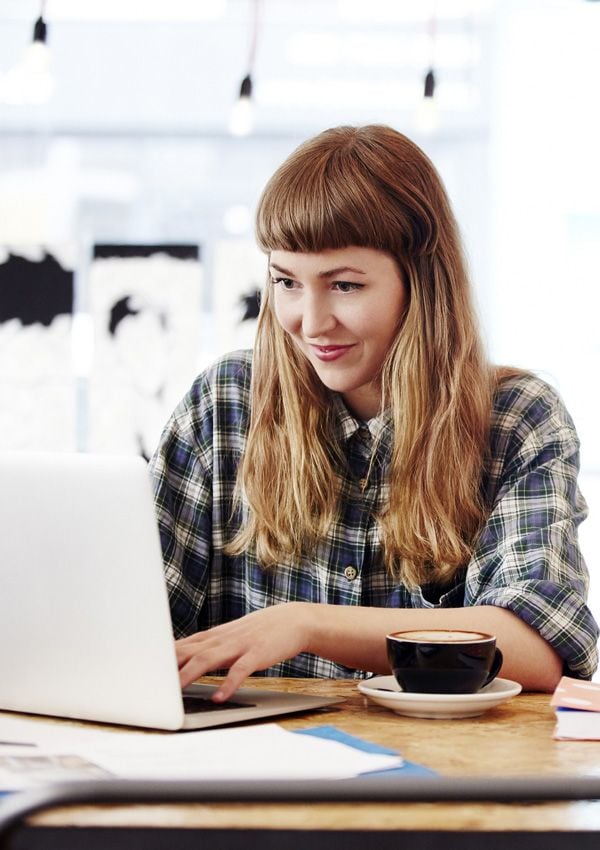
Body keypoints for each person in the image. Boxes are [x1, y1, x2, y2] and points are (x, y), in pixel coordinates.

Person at [149, 125, 598, 702]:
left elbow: (537, 645)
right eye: (286, 282)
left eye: (344, 285)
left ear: (421, 283)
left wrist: (306, 624)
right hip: (245, 774)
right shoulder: (224, 403)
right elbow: (135, 622)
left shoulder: (516, 420)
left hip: (438, 775)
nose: (310, 323)